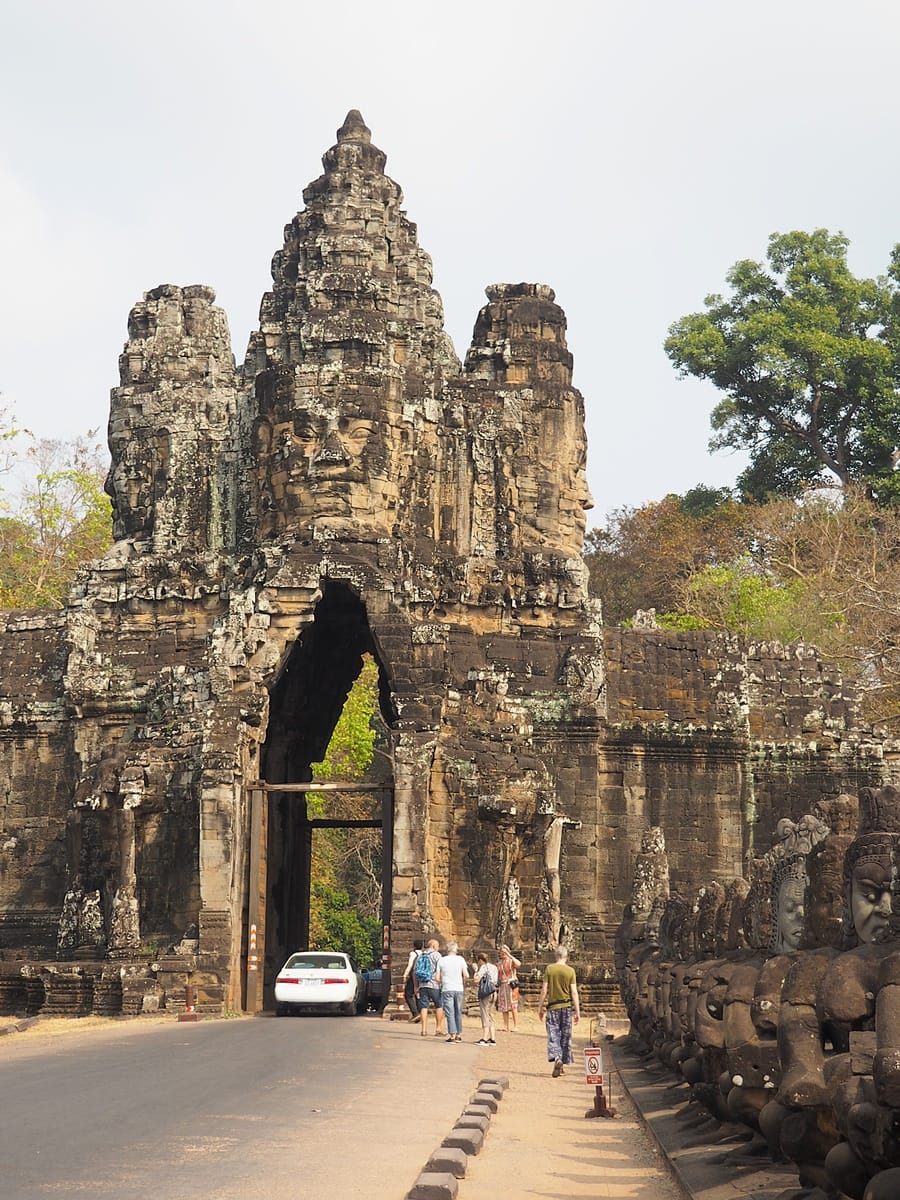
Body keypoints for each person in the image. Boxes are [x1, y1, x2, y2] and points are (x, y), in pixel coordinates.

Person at [538, 944, 580, 1077]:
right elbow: (574, 992)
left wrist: (540, 1007)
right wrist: (577, 1011)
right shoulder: (570, 971)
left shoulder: (550, 969)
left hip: (553, 1008)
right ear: (566, 956)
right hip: (567, 1008)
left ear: (556, 955)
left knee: (553, 1035)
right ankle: (562, 1062)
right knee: (565, 1036)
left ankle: (557, 1058)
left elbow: (544, 990)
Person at [435, 941, 470, 1042]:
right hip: (458, 988)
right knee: (458, 1011)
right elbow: (466, 975)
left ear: (447, 950)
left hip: (447, 988)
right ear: (456, 950)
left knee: (450, 1012)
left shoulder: (442, 960)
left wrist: (444, 981)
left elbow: (437, 977)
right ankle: (459, 1034)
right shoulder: (460, 959)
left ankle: (452, 1034)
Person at [415, 937, 444, 1038]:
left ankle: (423, 1030)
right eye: (437, 946)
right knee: (439, 1006)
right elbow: (442, 970)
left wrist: (416, 986)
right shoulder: (437, 955)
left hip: (423, 985)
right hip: (435, 984)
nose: (438, 948)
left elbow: (415, 972)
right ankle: (438, 1029)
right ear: (433, 946)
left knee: (424, 1007)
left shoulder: (420, 955)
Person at [472, 951, 498, 1045]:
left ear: (480, 960)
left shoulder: (483, 967)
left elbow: (476, 980)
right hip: (493, 992)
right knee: (491, 1015)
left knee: (485, 1014)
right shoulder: (494, 967)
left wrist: (475, 970)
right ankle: (493, 1037)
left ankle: (484, 1037)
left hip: (486, 993)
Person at [496, 943, 522, 1031]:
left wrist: (509, 955)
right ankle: (505, 1025)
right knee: (504, 1006)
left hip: (511, 984)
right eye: (501, 952)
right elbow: (499, 975)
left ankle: (515, 1025)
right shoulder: (499, 963)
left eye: (504, 952)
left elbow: (518, 964)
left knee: (513, 1005)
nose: (502, 953)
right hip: (503, 985)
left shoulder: (511, 961)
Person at [401, 938, 423, 1021]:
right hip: (422, 976)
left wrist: (405, 975)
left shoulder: (413, 954)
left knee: (408, 995)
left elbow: (410, 965)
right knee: (418, 995)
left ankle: (415, 1013)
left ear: (414, 946)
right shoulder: (424, 954)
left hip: (414, 976)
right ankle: (420, 1013)